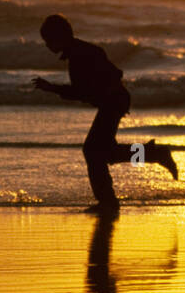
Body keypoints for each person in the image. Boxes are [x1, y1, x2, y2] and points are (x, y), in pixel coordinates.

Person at [32, 14, 177, 211]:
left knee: (92, 151)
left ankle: (108, 201)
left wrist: (53, 88)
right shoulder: (78, 52)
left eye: (49, 40)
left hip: (114, 100)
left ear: (60, 37)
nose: (47, 46)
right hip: (113, 100)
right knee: (104, 152)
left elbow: (97, 83)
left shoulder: (80, 54)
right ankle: (152, 154)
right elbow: (96, 83)